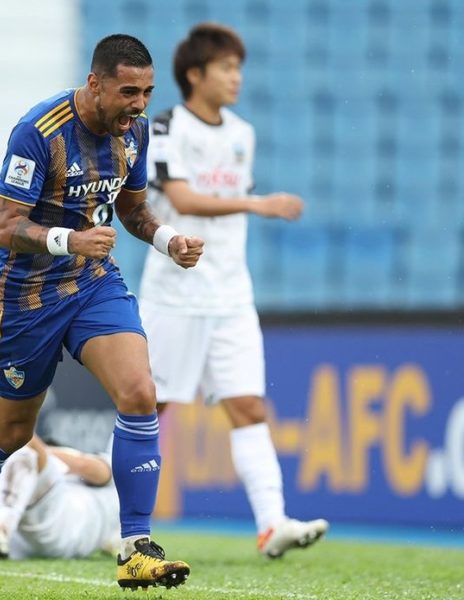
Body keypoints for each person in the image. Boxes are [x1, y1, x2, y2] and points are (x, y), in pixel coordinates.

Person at [0, 34, 205, 594]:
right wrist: (70, 240)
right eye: (129, 91)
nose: (139, 104)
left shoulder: (135, 130)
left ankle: (135, 548)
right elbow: (6, 229)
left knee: (140, 392)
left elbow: (131, 209)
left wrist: (167, 240)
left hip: (92, 284)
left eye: (148, 92)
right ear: (95, 83)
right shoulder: (40, 132)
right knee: (11, 432)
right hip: (23, 296)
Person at [139, 22, 328, 559]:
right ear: (195, 74)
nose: (236, 77)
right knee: (150, 407)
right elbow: (181, 197)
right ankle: (113, 518)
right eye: (226, 68)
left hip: (231, 299)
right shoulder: (167, 126)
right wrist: (256, 203)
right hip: (175, 294)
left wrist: (251, 204)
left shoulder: (242, 133)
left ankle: (273, 524)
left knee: (248, 407)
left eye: (239, 68)